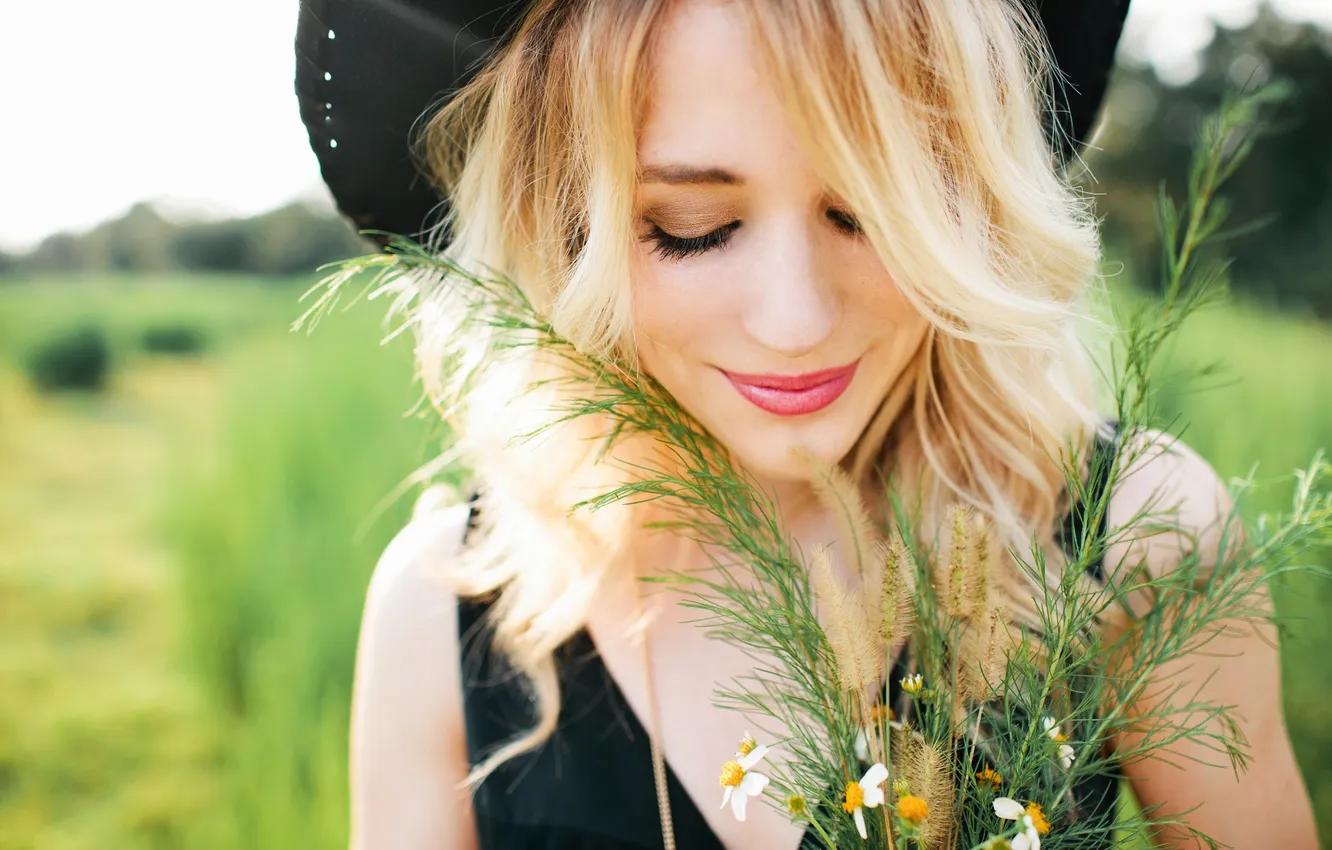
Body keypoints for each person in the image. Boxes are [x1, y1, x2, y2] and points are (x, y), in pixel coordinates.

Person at [295, 1, 1318, 847]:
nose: (797, 320)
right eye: (691, 228)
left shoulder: (1133, 532)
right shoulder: (444, 610)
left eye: (872, 208)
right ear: (560, 224)